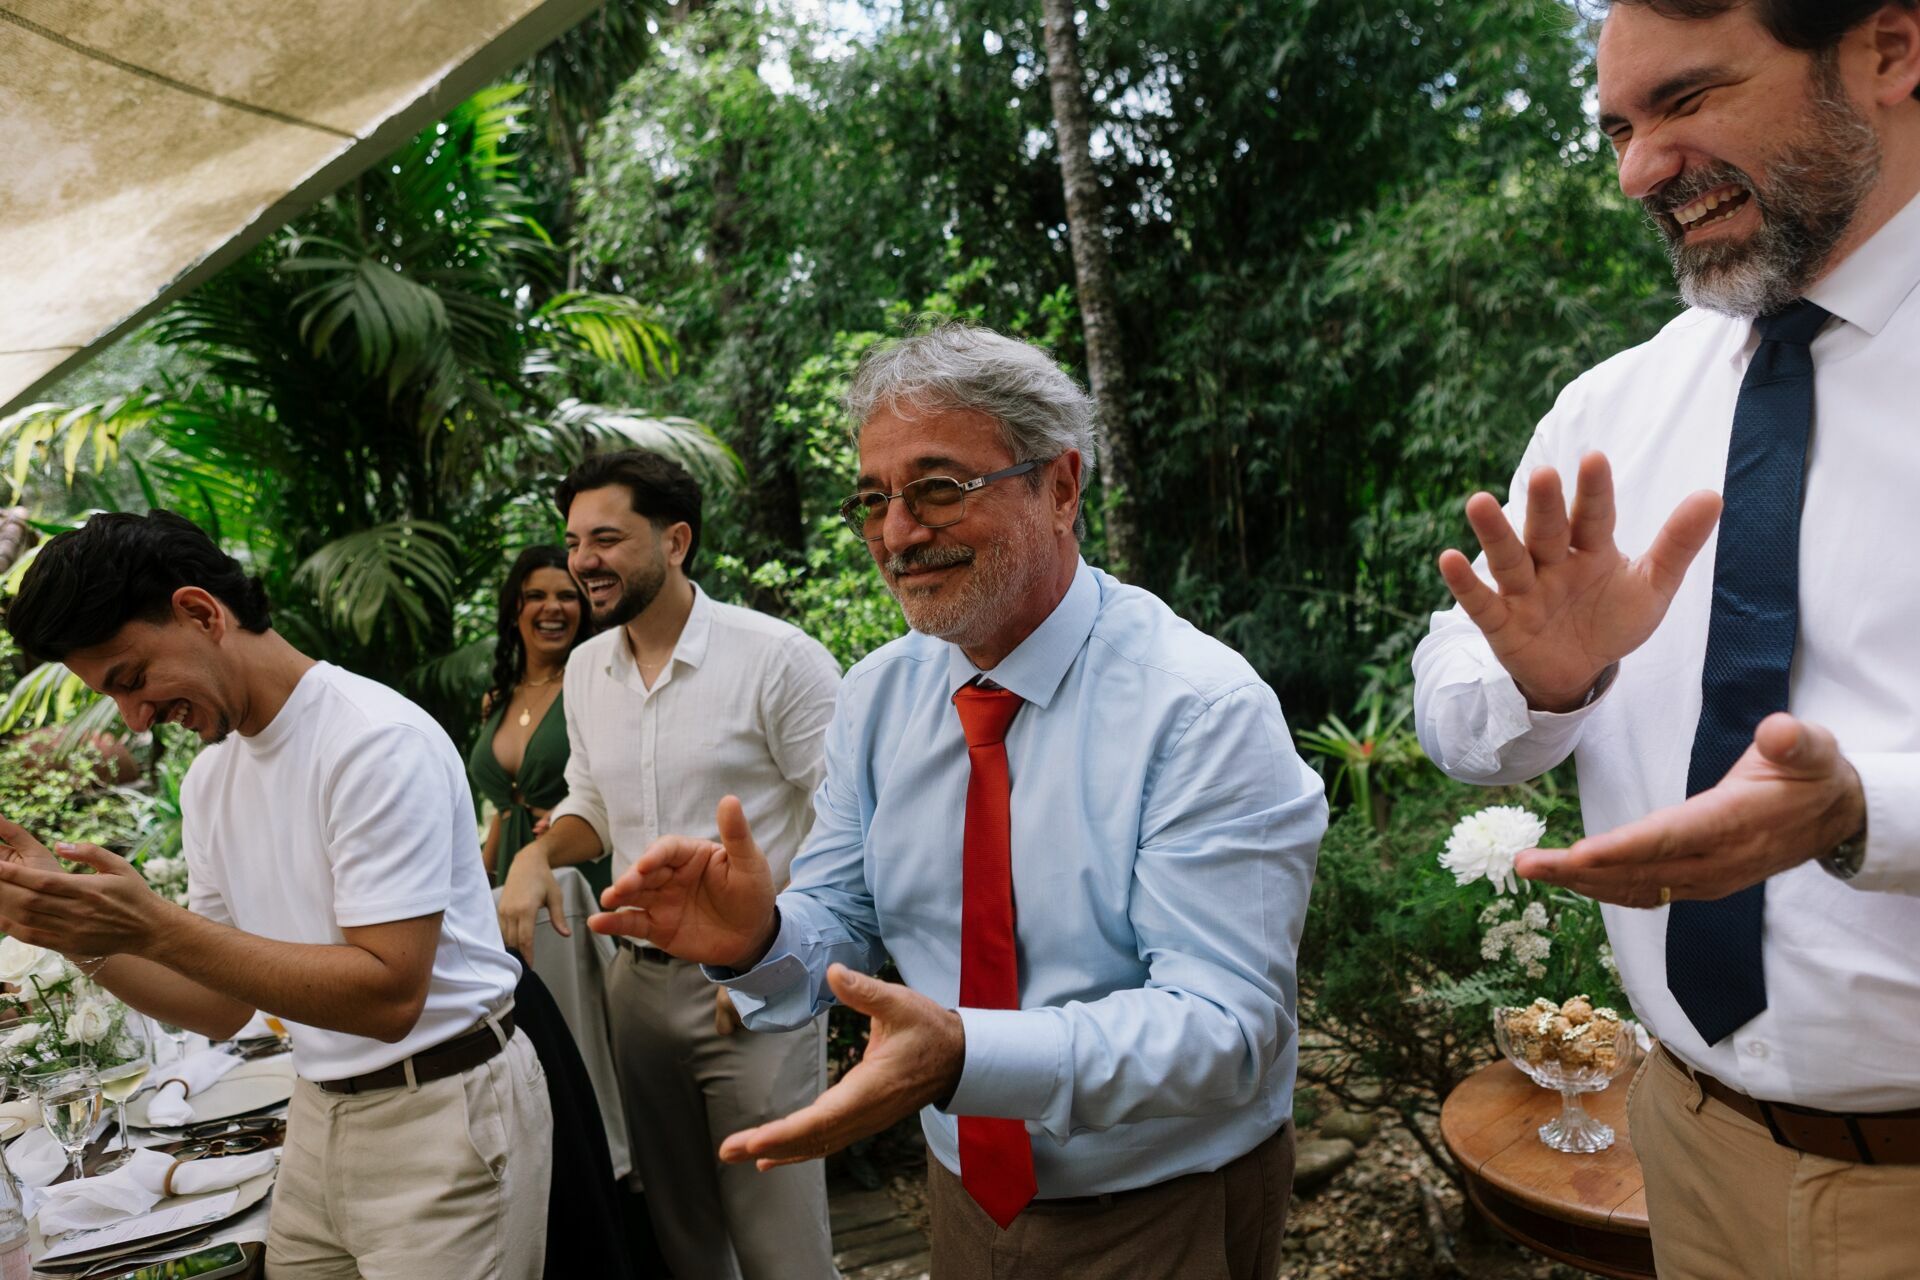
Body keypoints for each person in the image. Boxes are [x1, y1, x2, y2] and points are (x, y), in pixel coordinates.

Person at [591, 325, 1326, 1280]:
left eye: (940, 488)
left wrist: (966, 1053)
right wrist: (758, 938)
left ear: (1060, 488)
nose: (898, 534)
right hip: (965, 1192)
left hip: (1160, 1207)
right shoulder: (881, 695)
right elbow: (841, 916)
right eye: (873, 501)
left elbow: (1226, 1028)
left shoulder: (1200, 710)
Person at [1412, 2, 1920, 1275]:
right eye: (1621, 128)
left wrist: (1864, 809)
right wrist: (1544, 676)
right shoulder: (1613, 407)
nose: (1639, 169)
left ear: (1893, 51)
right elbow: (1454, 701)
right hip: (1687, 1143)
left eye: (1686, 101)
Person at [0, 510, 551, 1280]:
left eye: (132, 679)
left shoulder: (370, 739)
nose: (134, 717)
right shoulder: (210, 780)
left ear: (200, 612)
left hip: (443, 1108)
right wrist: (71, 929)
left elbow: (389, 995)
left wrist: (152, 926)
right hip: (318, 1110)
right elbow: (221, 1004)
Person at [496, 450, 843, 1280]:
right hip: (636, 986)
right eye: (575, 541)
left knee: (783, 1249)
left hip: (759, 981)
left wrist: (766, 962)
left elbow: (850, 823)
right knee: (682, 1241)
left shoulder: (778, 658)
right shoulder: (586, 669)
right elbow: (591, 805)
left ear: (676, 540)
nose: (583, 562)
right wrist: (537, 856)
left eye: (606, 539)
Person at [467, 545, 600, 892]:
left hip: (577, 877)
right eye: (536, 595)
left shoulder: (597, 686)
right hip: (512, 878)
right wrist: (480, 885)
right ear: (516, 609)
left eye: (567, 596)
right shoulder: (496, 700)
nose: (552, 607)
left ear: (583, 610)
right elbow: (507, 809)